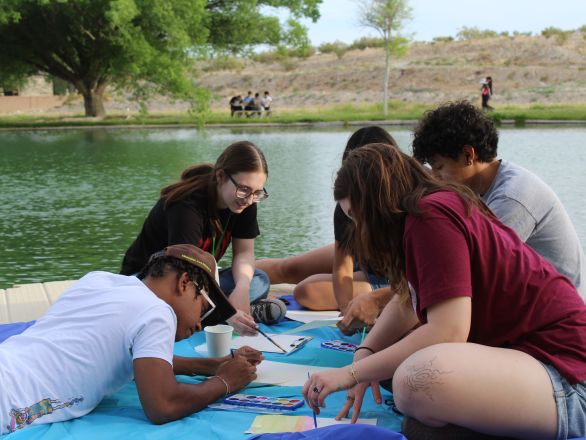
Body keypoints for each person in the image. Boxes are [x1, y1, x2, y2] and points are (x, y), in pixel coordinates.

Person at [303, 144, 586, 440]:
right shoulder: (428, 208)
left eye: (357, 216)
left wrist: (350, 375)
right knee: (389, 369)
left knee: (414, 381)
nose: (359, 227)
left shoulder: (429, 216)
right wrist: (364, 356)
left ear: (376, 205)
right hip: (528, 360)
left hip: (568, 376)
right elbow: (408, 298)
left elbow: (449, 331)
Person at [0, 245, 263, 435]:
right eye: (205, 309)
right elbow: (163, 405)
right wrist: (225, 381)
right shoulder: (157, 312)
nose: (199, 323)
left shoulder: (98, 280)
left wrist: (211, 365)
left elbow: (138, 358)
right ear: (184, 283)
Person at [412, 100, 585, 299]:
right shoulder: (474, 188)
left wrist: (384, 297)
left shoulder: (512, 198)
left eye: (439, 167)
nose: (433, 176)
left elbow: (470, 268)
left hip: (562, 315)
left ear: (469, 155)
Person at [121, 141, 286, 335]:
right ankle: (225, 316)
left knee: (258, 279)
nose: (249, 199)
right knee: (167, 302)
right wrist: (228, 311)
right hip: (151, 283)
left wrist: (241, 288)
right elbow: (181, 276)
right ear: (221, 176)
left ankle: (220, 314)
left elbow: (244, 252)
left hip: (198, 280)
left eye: (257, 193)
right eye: (244, 190)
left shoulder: (245, 203)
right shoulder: (187, 205)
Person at [256, 127, 396, 319]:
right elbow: (342, 266)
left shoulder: (409, 198)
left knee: (307, 291)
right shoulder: (347, 203)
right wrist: (346, 310)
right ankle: (221, 278)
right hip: (362, 256)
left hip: (390, 278)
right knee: (289, 268)